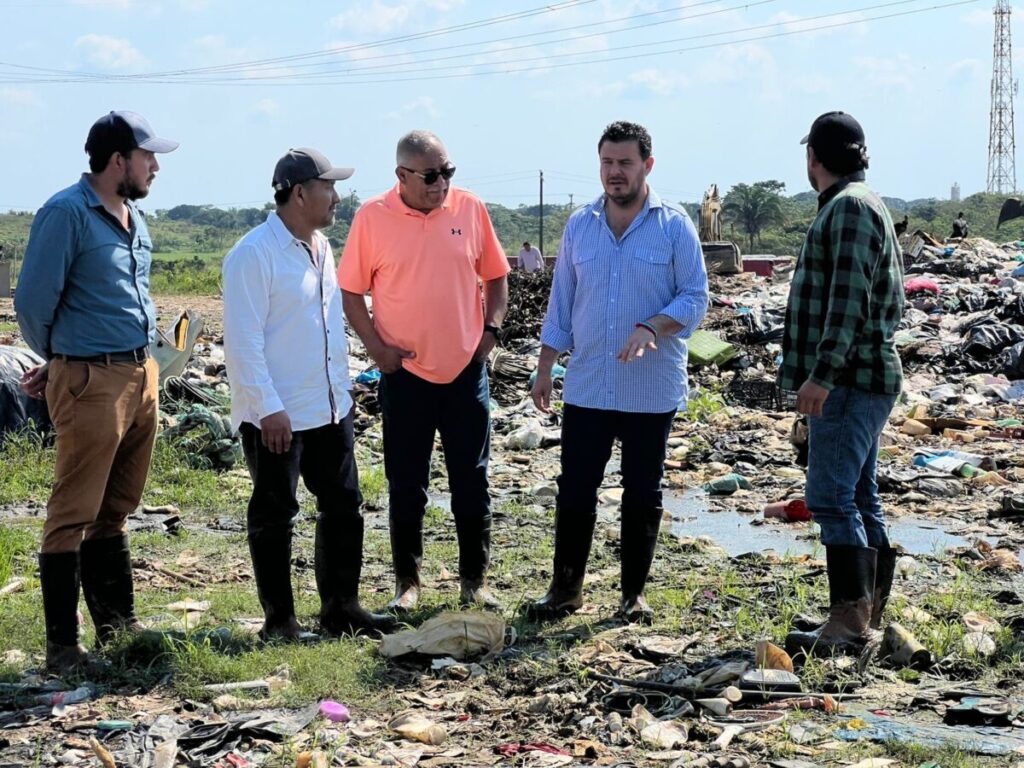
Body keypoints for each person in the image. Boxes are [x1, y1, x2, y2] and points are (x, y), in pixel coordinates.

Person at [527, 121, 709, 625]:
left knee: (642, 491)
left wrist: (653, 326)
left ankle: (633, 595)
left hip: (650, 390)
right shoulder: (580, 225)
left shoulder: (674, 226)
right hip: (587, 384)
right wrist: (545, 367)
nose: (614, 173)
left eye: (625, 163)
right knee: (576, 489)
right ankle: (564, 592)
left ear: (647, 166)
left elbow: (696, 297)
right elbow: (561, 302)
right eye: (607, 162)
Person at [15, 110, 178, 672]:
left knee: (117, 507)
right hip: (91, 379)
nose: (155, 166)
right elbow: (34, 304)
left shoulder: (135, 217)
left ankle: (118, 625)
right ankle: (63, 646)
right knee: (73, 510)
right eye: (148, 156)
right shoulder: (67, 214)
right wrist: (60, 360)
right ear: (118, 161)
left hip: (140, 375)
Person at [222, 148, 394, 640]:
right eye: (328, 187)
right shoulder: (253, 255)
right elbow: (243, 343)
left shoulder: (321, 248)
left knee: (343, 504)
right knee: (275, 513)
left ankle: (342, 608)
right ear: (299, 192)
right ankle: (280, 620)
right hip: (278, 415)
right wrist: (268, 408)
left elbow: (324, 328)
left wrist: (344, 391)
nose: (337, 197)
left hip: (329, 406)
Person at [340, 131, 510, 612]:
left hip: (464, 373)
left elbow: (496, 275)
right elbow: (352, 293)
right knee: (407, 483)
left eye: (448, 172)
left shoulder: (470, 209)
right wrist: (378, 351)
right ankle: (406, 584)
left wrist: (491, 332)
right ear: (402, 176)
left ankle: (474, 581)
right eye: (431, 175)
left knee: (471, 481)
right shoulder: (372, 218)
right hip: (406, 375)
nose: (441, 184)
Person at [780, 111, 904, 657]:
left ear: (814, 158)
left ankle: (850, 624)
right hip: (860, 378)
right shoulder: (858, 204)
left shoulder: (850, 209)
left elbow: (846, 305)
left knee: (829, 496)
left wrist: (821, 378)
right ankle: (863, 612)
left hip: (850, 380)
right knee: (857, 493)